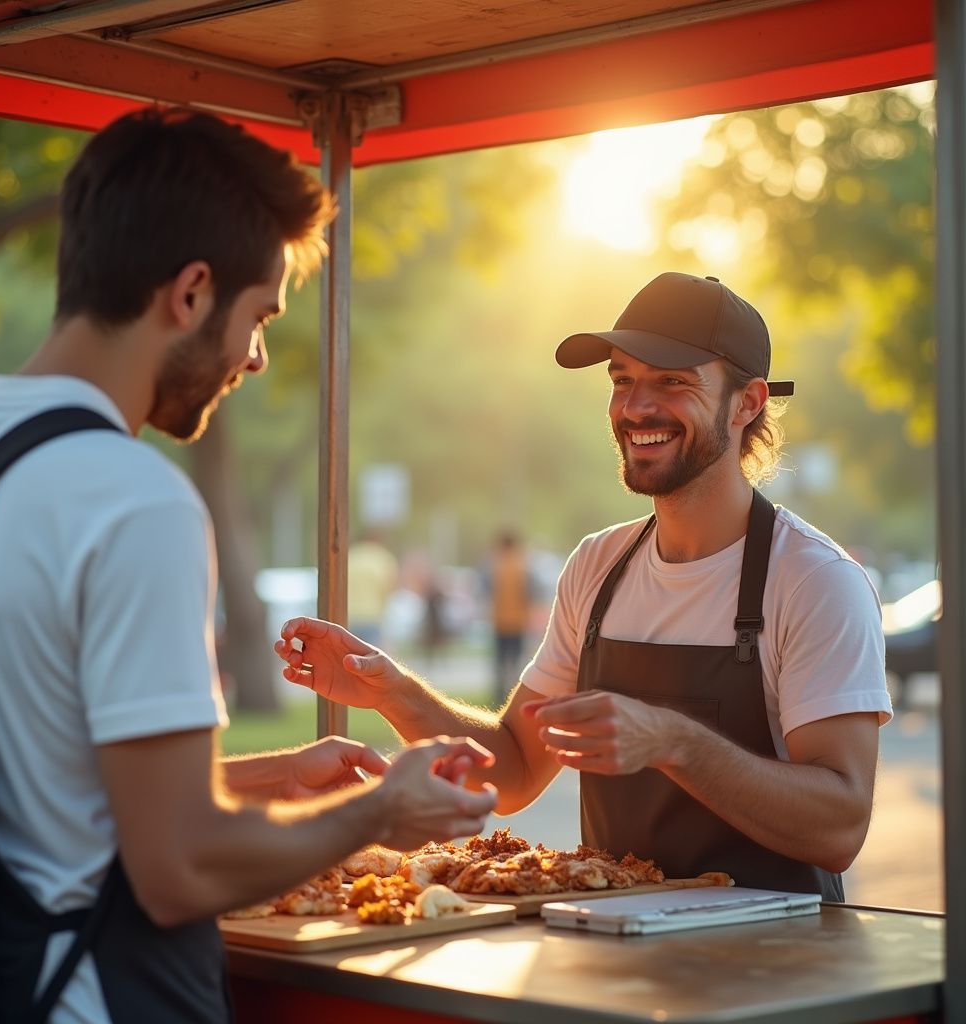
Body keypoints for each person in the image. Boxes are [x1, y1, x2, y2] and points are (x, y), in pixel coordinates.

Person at [0, 107, 496, 1022]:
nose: (254, 356)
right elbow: (177, 868)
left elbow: (30, 776)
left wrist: (265, 775)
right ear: (193, 291)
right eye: (260, 317)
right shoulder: (134, 500)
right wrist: (380, 814)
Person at [277, 271, 893, 901]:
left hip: (778, 968)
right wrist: (393, 690)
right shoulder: (598, 566)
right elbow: (513, 771)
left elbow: (838, 827)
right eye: (622, 380)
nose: (636, 407)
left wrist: (674, 741)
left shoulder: (814, 580)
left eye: (672, 382)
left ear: (747, 402)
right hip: (614, 950)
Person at [484, 529, 533, 703]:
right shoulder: (521, 567)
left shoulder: (496, 567)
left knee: (500, 663)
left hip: (500, 622)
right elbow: (527, 595)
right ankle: (514, 695)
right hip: (517, 622)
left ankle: (499, 697)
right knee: (516, 662)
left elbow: (489, 594)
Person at [347, 528, 400, 646]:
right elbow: (390, 587)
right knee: (373, 658)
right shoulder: (383, 558)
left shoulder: (351, 556)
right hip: (372, 616)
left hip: (350, 616)